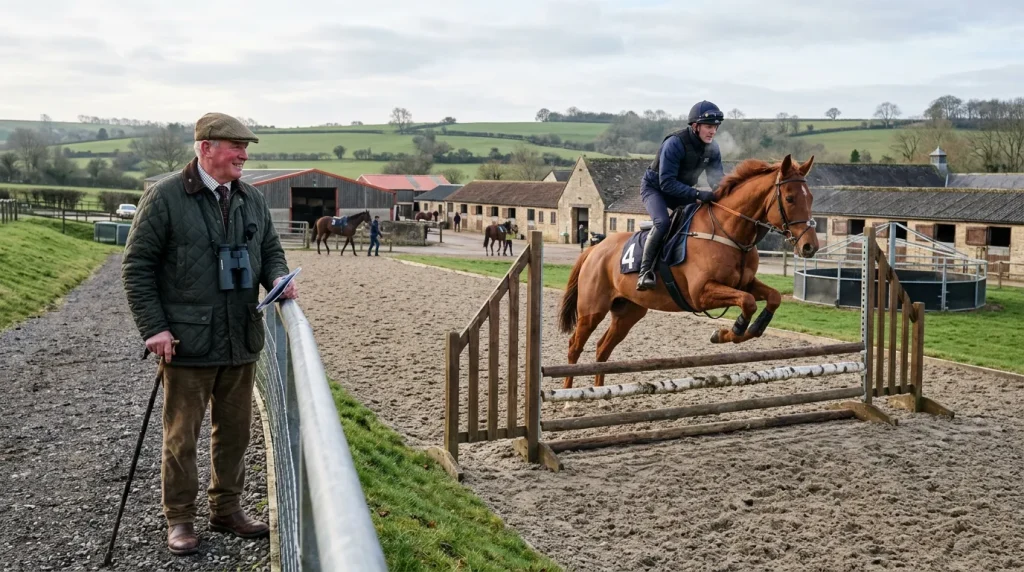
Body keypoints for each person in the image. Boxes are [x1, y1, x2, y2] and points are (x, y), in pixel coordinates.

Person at [121, 112, 298, 557]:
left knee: (235, 433)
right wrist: (154, 328)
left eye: (246, 148)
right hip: (186, 343)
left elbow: (271, 251)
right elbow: (136, 267)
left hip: (241, 338)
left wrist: (278, 278)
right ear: (205, 148)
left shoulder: (251, 199)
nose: (243, 155)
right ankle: (179, 518)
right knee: (182, 437)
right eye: (235, 146)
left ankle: (227, 509)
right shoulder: (163, 197)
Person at [636, 100, 726, 291]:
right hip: (656, 188)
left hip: (681, 190)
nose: (713, 131)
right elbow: (666, 183)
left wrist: (726, 194)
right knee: (663, 223)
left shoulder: (713, 148)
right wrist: (697, 193)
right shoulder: (675, 143)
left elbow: (717, 180)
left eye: (715, 127)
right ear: (695, 126)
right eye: (709, 127)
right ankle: (645, 272)